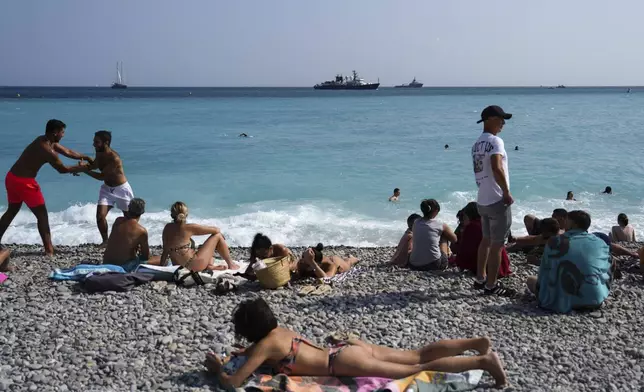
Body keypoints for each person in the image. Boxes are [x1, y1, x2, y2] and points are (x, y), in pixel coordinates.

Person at [204, 298, 508, 388]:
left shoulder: (263, 346)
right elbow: (272, 353)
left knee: (417, 368)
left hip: (343, 362)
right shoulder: (279, 331)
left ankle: (483, 362)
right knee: (417, 353)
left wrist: (219, 370)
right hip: (346, 349)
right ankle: (476, 343)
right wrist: (248, 353)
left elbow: (233, 384)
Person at [0, 119, 92, 255]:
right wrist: (81, 168)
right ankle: (49, 250)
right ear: (55, 133)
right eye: (62, 132)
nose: (63, 135)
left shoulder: (43, 140)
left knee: (12, 211)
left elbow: (68, 151)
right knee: (42, 215)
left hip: (12, 178)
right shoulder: (46, 150)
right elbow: (62, 169)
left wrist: (87, 158)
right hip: (25, 183)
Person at [526, 210, 611, 313]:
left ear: (573, 223)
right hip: (595, 299)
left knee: (530, 280)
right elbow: (607, 270)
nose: (564, 222)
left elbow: (543, 274)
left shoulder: (555, 242)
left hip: (563, 302)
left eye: (567, 220)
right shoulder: (600, 242)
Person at [471, 105, 514, 296]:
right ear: (489, 119)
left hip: (482, 199)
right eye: (500, 119)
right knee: (498, 243)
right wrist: (506, 192)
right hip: (497, 198)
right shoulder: (496, 141)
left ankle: (480, 278)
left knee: (486, 240)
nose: (503, 123)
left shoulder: (476, 144)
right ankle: (491, 284)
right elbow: (496, 167)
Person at [79, 131, 134, 247]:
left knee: (129, 218)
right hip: (107, 189)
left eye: (97, 142)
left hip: (121, 189)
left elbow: (101, 176)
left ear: (106, 143)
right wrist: (84, 164)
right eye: (94, 141)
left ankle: (131, 241)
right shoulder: (99, 152)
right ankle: (106, 241)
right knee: (100, 216)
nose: (94, 144)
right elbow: (95, 165)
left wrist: (84, 170)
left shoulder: (114, 158)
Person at [159, 201, 239, 271]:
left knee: (209, 255)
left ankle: (210, 266)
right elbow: (216, 230)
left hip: (177, 266)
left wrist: (161, 266)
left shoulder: (167, 228)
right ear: (186, 214)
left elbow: (165, 251)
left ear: (172, 215)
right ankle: (231, 265)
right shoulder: (189, 227)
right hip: (193, 265)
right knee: (217, 236)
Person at [452, 202, 511, 277]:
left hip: (487, 269)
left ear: (469, 215)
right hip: (503, 266)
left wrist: (455, 261)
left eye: (464, 216)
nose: (463, 220)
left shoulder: (472, 226)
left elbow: (465, 253)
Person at [102, 198, 162, 272]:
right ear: (142, 212)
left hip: (106, 263)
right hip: (123, 267)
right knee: (162, 259)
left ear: (128, 208)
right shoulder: (141, 230)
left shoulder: (118, 221)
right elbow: (145, 257)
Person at [409, 199, 457, 271]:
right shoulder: (440, 224)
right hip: (433, 264)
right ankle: (447, 257)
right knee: (444, 235)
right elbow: (454, 239)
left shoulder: (416, 222)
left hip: (413, 265)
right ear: (435, 211)